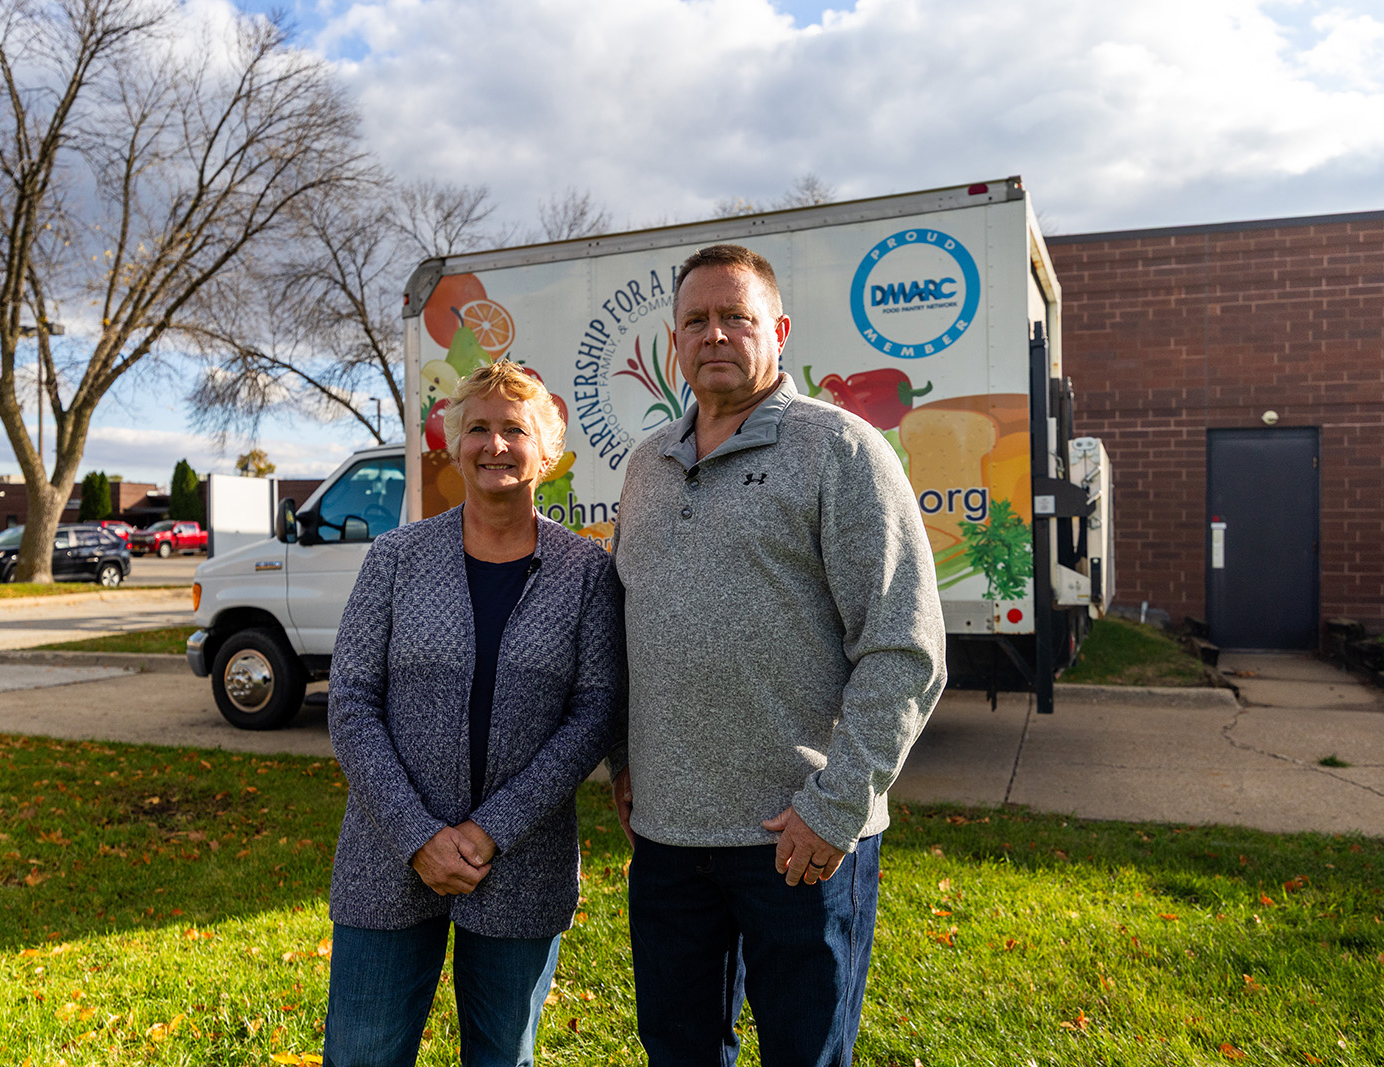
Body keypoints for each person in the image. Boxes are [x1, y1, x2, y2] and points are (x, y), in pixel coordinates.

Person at [610, 243, 947, 1064]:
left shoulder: (841, 450)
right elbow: (627, 626)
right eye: (697, 319)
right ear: (675, 339)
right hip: (669, 841)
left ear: (780, 331)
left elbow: (905, 647)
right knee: (678, 1050)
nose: (715, 334)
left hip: (799, 841)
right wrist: (624, 762)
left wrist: (834, 807)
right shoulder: (644, 466)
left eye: (736, 317)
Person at [323, 359, 623, 1067]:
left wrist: (492, 830)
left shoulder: (584, 571)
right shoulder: (396, 557)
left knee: (501, 1055)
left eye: (514, 430)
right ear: (453, 446)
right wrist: (418, 834)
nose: (495, 445)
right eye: (478, 429)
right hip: (387, 854)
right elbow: (351, 700)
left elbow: (593, 712)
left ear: (546, 452)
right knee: (362, 1054)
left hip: (521, 862)